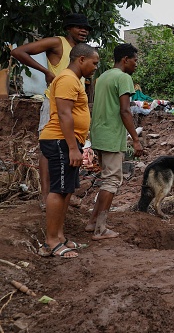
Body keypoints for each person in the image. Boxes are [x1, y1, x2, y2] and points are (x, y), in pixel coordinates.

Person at [10, 13, 92, 209]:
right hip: (55, 103)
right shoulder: (57, 43)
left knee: (70, 148)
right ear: (68, 28)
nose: (83, 31)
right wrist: (46, 71)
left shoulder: (81, 52)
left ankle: (64, 193)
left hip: (72, 103)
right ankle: (45, 196)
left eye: (86, 29)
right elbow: (19, 52)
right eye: (78, 27)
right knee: (49, 149)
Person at [38, 43, 99, 258]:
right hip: (60, 140)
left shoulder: (74, 80)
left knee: (66, 190)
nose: (95, 67)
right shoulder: (66, 79)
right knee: (59, 189)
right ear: (81, 60)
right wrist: (73, 148)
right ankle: (51, 242)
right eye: (94, 62)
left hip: (68, 141)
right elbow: (64, 115)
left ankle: (59, 236)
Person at [85, 43, 143, 240]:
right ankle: (100, 228)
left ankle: (93, 221)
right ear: (125, 59)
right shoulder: (124, 77)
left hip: (98, 134)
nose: (136, 64)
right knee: (112, 181)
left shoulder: (103, 77)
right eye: (135, 60)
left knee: (106, 179)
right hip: (111, 136)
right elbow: (125, 110)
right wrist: (135, 139)